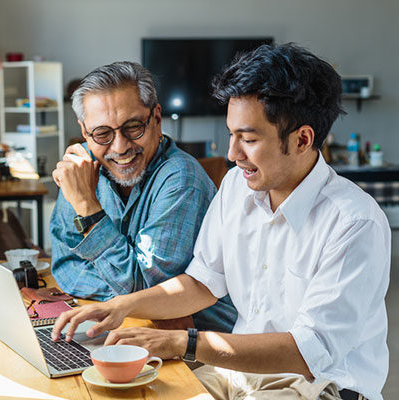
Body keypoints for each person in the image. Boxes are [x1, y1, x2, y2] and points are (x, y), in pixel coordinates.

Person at [52, 45, 390, 400]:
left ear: (302, 139)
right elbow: (201, 283)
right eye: (232, 135)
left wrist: (184, 342)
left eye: (248, 139)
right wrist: (122, 306)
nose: (232, 154)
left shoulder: (354, 223)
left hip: (320, 385)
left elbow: (308, 352)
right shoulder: (236, 187)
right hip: (239, 374)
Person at [50, 61, 237, 333]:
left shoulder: (181, 177)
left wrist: (87, 207)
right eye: (102, 133)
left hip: (196, 345)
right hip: (126, 325)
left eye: (133, 127)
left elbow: (144, 288)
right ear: (84, 133)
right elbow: (65, 266)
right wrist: (126, 301)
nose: (120, 146)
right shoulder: (79, 169)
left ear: (157, 119)